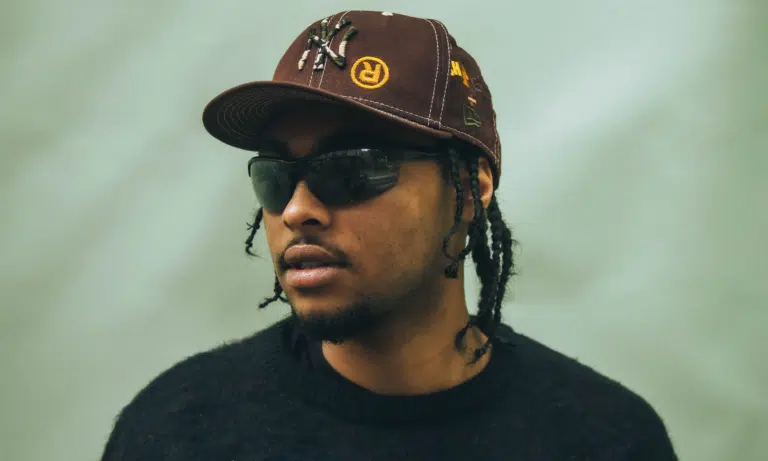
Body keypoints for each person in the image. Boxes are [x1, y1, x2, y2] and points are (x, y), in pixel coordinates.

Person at [100, 10, 678, 460]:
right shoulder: (179, 432)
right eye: (275, 176)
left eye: (350, 170)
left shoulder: (604, 440)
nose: (298, 209)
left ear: (469, 189)